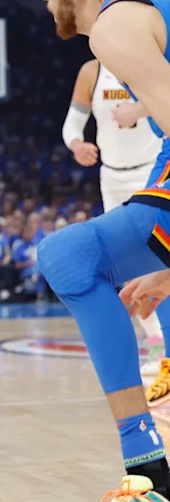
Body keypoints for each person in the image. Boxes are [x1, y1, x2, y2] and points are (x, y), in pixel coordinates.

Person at [33, 0, 170, 502]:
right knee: (73, 254)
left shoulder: (112, 28)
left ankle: (149, 480)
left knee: (68, 256)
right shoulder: (147, 10)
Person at [63, 57, 167, 377]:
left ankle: (164, 352)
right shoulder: (90, 72)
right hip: (112, 177)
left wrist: (138, 110)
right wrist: (77, 144)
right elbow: (72, 124)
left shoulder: (148, 60)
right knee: (131, 267)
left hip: (152, 172)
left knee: (159, 263)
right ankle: (158, 349)